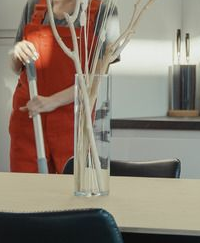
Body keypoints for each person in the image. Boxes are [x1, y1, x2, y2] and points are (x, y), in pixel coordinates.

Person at [9, 0, 120, 174]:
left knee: (67, 194)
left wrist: (52, 102)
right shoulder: (34, 6)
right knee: (26, 193)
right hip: (29, 119)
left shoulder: (103, 10)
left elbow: (96, 80)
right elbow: (16, 67)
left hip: (72, 124)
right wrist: (17, 52)